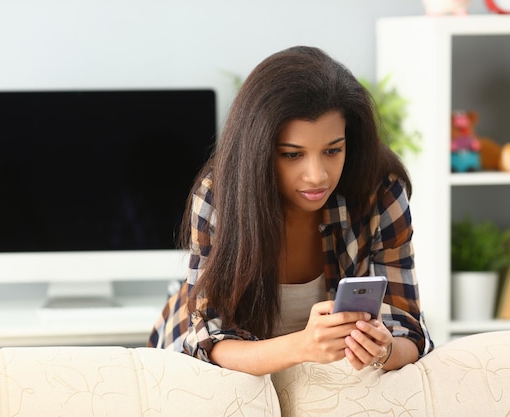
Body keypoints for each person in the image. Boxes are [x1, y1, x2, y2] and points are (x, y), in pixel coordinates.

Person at [148, 45, 433, 376]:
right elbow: (210, 343)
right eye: (292, 155)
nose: (317, 175)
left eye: (332, 150)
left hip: (322, 379)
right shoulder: (220, 198)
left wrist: (381, 350)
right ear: (260, 151)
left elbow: (409, 330)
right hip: (205, 369)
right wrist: (302, 345)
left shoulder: (379, 192)